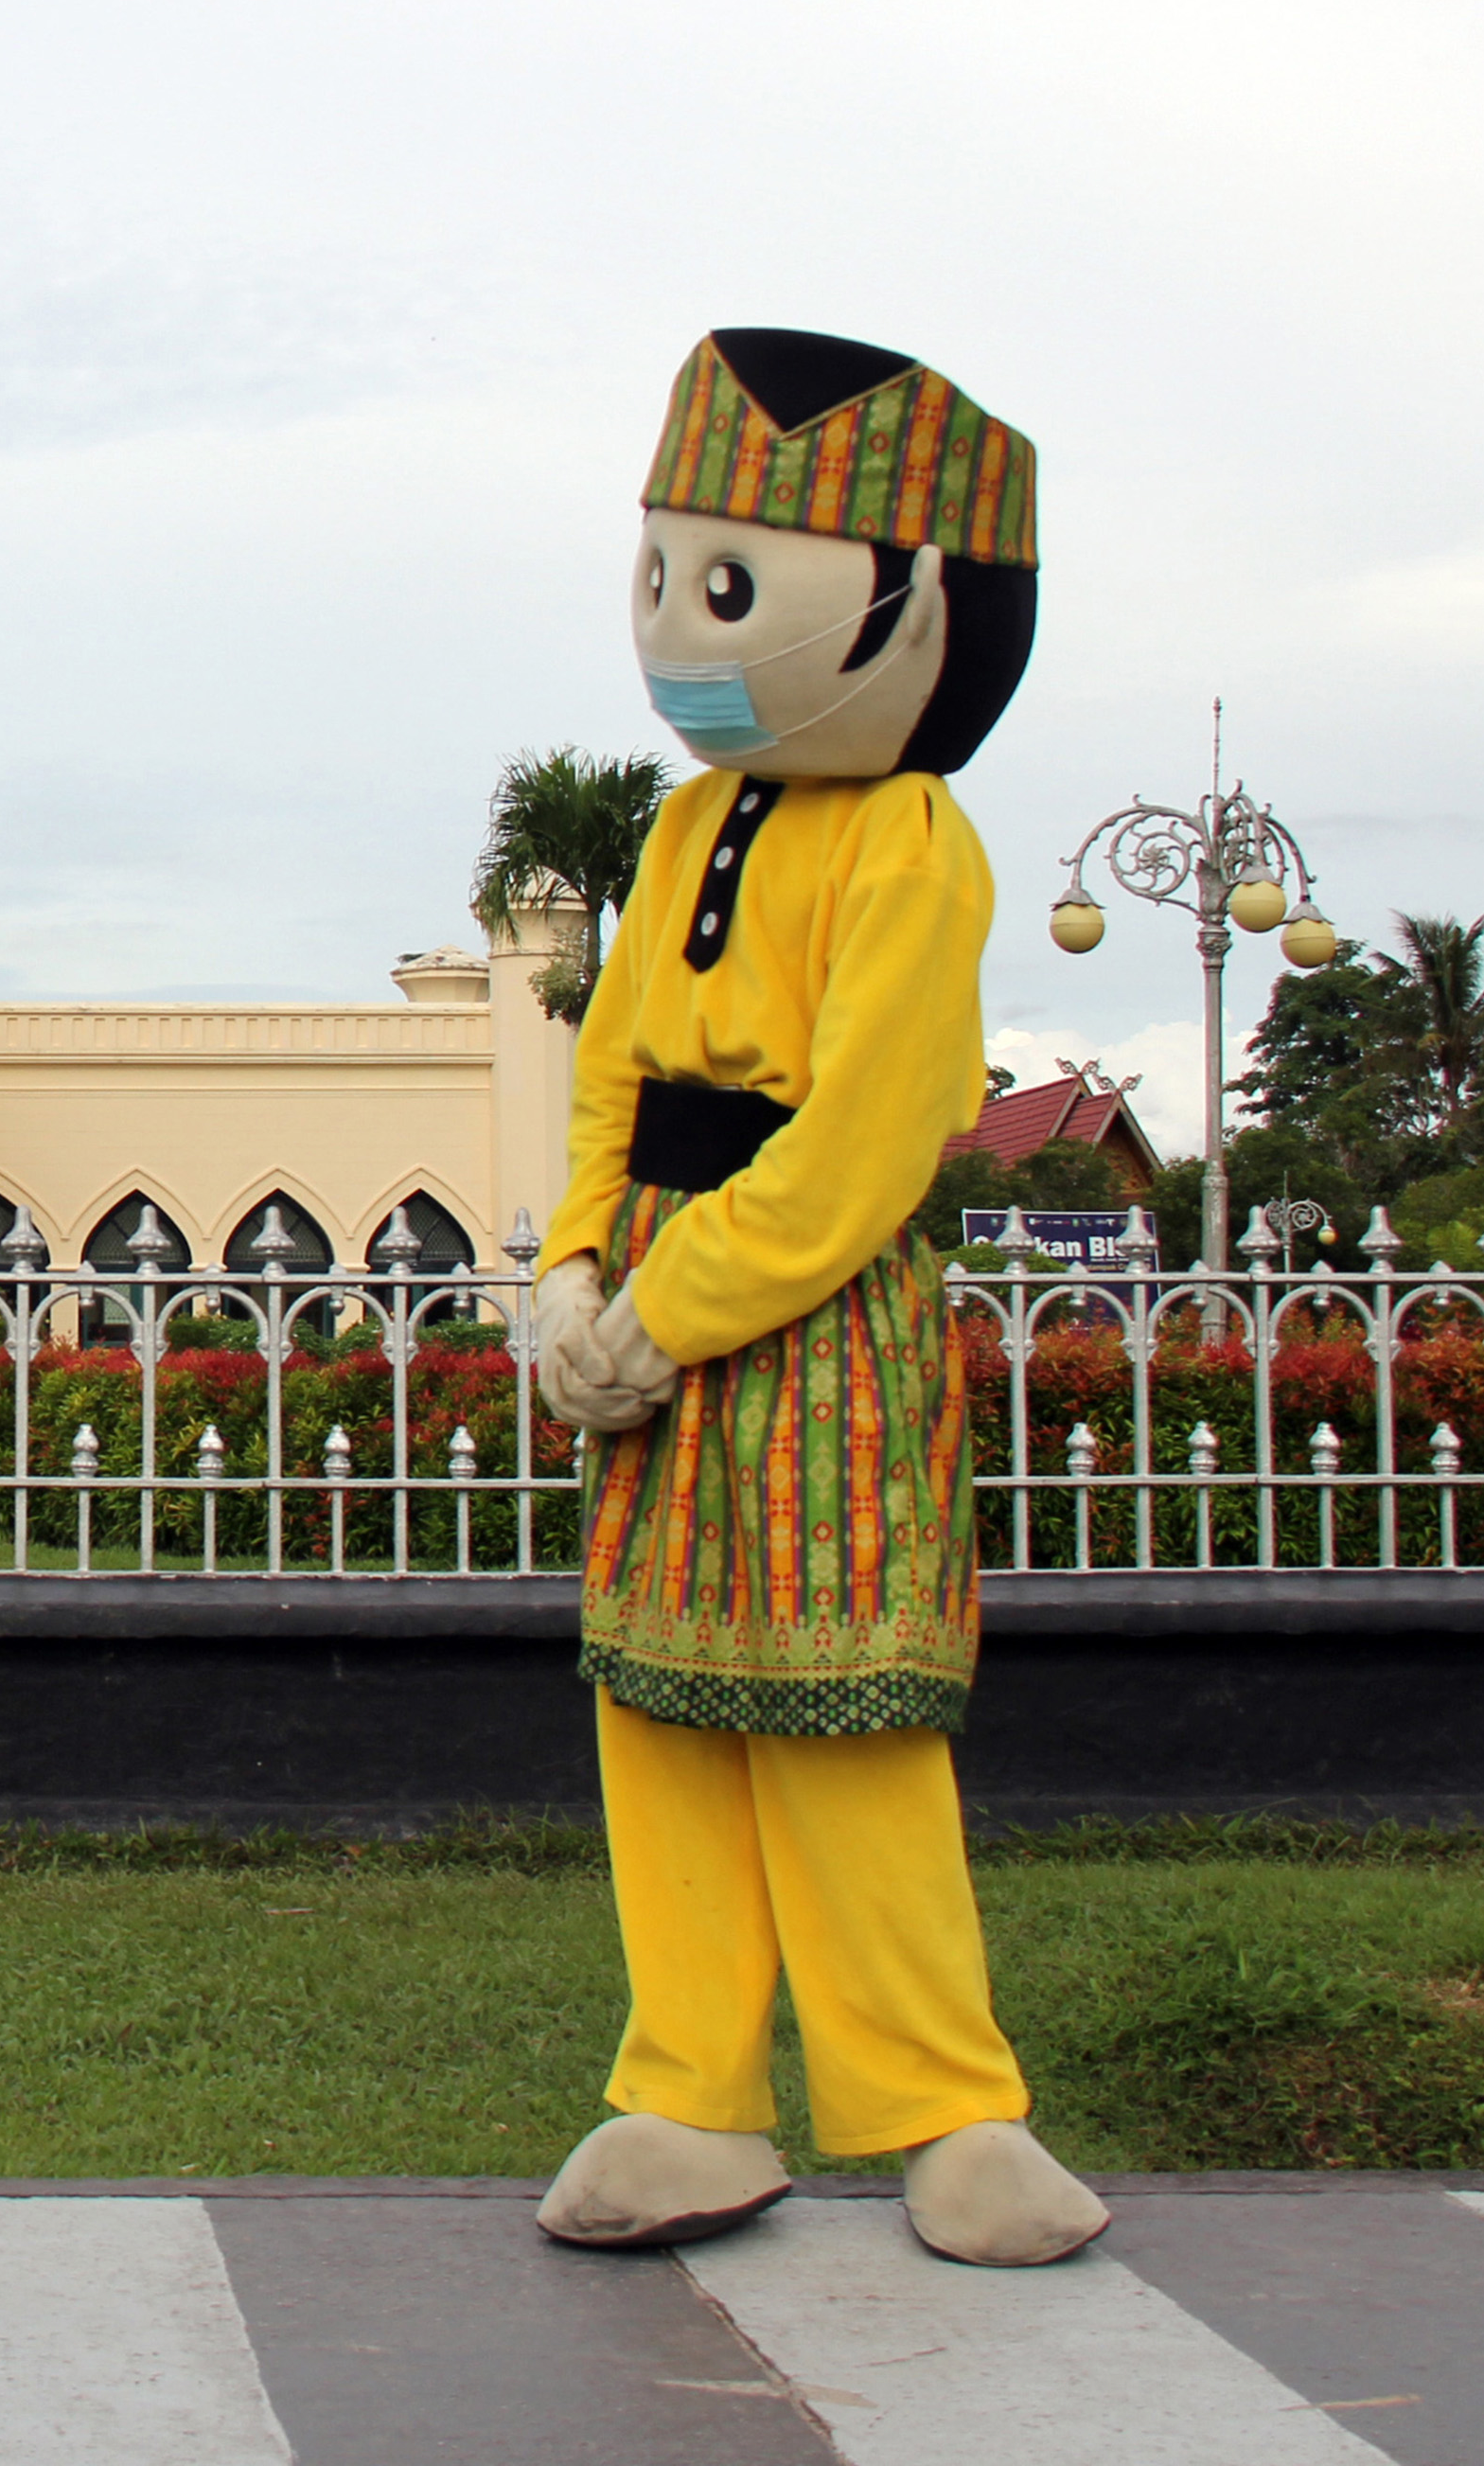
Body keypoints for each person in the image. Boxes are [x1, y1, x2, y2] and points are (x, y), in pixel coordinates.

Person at [527, 328, 1105, 2268]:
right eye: (663, 575)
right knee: (662, 1719)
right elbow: (614, 1073)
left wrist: (663, 1308)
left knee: (849, 1722)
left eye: (728, 585)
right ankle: (689, 2090)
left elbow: (864, 1144)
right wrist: (572, 1272)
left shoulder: (911, 842)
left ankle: (947, 2111)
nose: (675, 625)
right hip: (654, 1323)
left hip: (811, 1331)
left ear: (919, 606)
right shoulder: (686, 826)